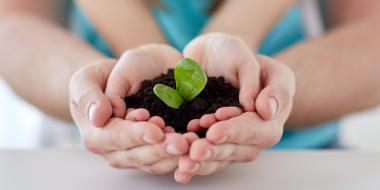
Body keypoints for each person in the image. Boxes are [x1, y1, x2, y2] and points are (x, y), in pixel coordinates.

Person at [1, 0, 380, 183]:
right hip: (99, 167)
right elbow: (13, 26)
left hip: (304, 167)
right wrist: (97, 90)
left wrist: (261, 90)